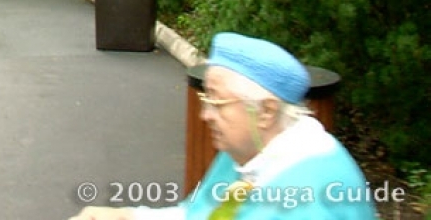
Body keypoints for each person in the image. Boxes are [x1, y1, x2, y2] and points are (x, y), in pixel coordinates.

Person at [69, 32, 377, 220]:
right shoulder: (253, 149)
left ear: (266, 111)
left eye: (217, 102)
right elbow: (198, 215)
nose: (205, 115)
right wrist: (127, 216)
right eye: (206, 98)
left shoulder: (309, 195)